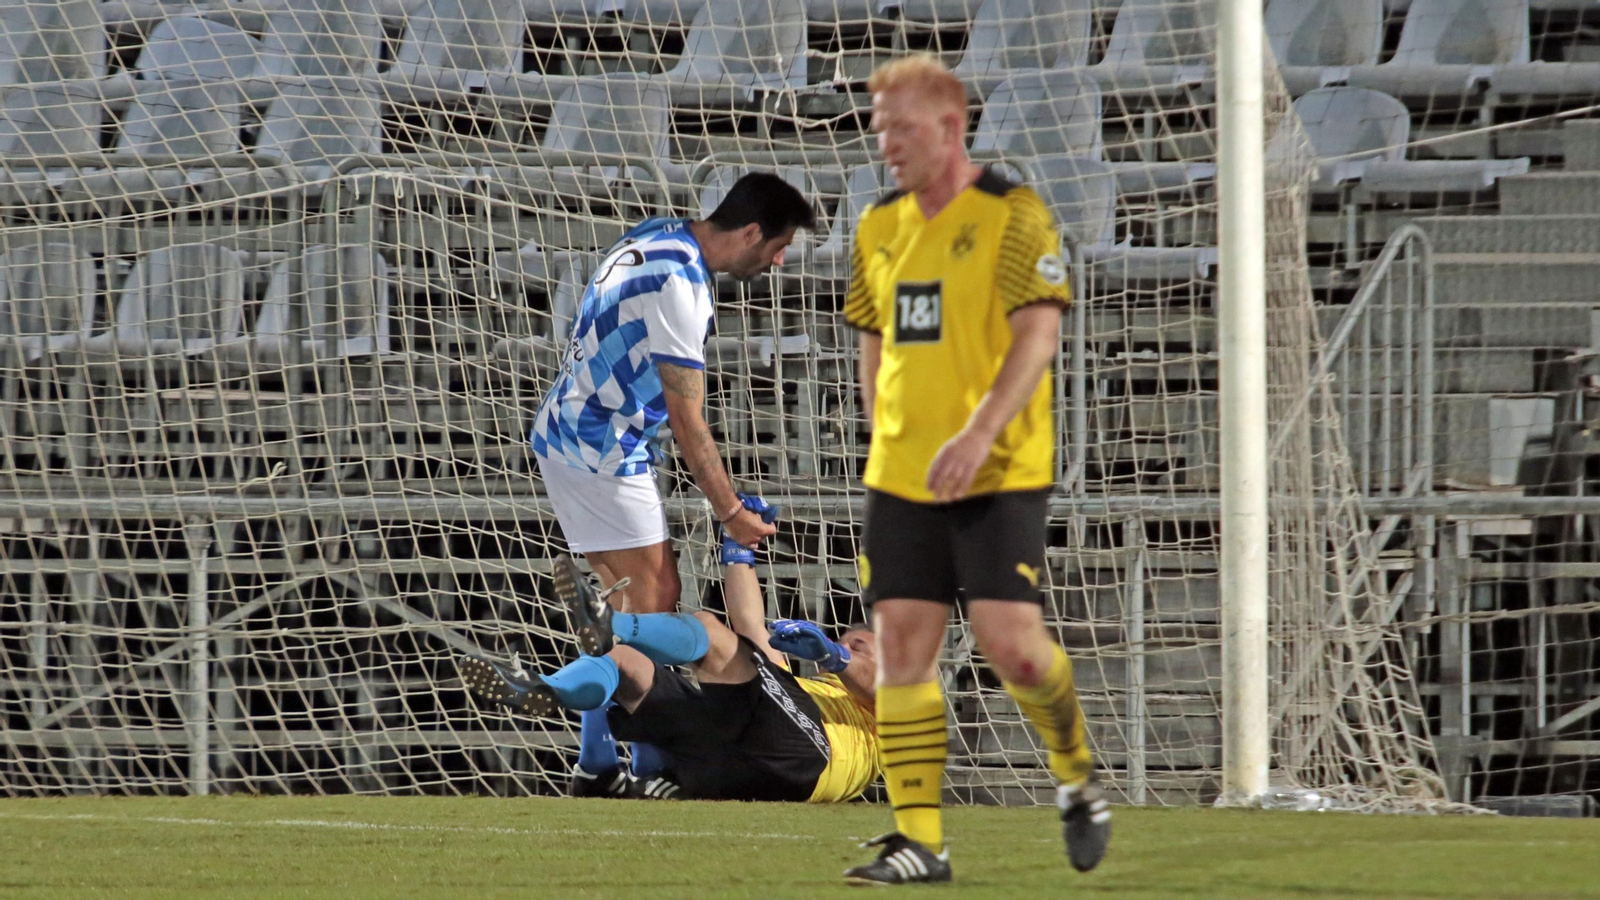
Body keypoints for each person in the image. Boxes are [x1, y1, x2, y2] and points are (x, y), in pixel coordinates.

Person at [837, 54, 1111, 884]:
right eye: (880, 130)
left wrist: (976, 432)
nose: (888, 145)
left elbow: (1038, 337)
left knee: (1014, 651)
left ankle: (1077, 773)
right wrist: (884, 433)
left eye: (903, 130)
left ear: (952, 127)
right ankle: (921, 840)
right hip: (902, 476)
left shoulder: (1014, 216)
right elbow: (872, 337)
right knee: (903, 650)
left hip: (998, 471)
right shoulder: (878, 227)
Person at [529, 173, 816, 794]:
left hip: (568, 427)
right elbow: (689, 423)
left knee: (624, 610)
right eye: (779, 244)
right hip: (603, 449)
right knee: (652, 608)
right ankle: (630, 764)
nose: (779, 259)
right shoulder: (682, 286)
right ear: (749, 233)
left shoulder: (655, 235)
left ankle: (602, 765)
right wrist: (733, 511)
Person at [457, 496, 880, 804]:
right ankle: (547, 689)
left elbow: (883, 690)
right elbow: (751, 625)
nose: (847, 646)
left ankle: (612, 625)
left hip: (807, 762)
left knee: (709, 631)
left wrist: (834, 656)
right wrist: (738, 548)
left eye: (861, 646)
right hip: (724, 772)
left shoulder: (898, 705)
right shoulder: (811, 690)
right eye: (846, 640)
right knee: (625, 663)